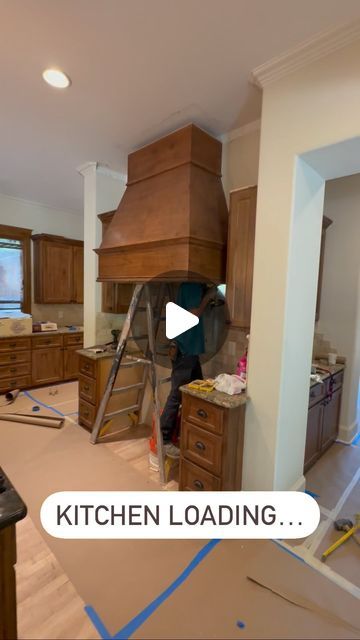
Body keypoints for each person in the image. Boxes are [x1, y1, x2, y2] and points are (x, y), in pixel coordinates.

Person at [160, 282, 216, 458]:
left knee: (197, 395)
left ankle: (191, 436)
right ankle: (164, 440)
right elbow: (194, 314)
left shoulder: (191, 286)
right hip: (186, 350)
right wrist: (209, 295)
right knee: (177, 395)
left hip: (189, 350)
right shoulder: (192, 286)